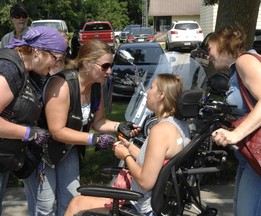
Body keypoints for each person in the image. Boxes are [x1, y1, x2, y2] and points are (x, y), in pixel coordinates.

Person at [24, 39, 140, 215]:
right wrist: (93, 139)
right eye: (105, 66)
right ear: (86, 63)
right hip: (43, 152)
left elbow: (98, 121)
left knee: (71, 200)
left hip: (68, 149)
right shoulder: (62, 84)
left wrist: (119, 126)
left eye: (111, 65)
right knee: (45, 207)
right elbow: (57, 131)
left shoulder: (96, 87)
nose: (109, 71)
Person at [65, 73, 191, 216]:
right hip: (159, 204)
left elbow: (145, 182)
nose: (147, 92)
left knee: (76, 204)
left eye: (151, 88)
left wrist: (125, 157)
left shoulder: (160, 131)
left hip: (139, 205)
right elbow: (153, 162)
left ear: (161, 95)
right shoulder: (180, 127)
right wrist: (129, 147)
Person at [207, 25, 261, 216]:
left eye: (209, 48)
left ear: (222, 45)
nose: (207, 55)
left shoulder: (245, 61)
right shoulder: (242, 66)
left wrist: (236, 134)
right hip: (255, 158)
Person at [0, 26, 67, 215]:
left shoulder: (27, 71)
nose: (54, 66)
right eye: (55, 59)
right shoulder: (9, 68)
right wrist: (29, 133)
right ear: (38, 51)